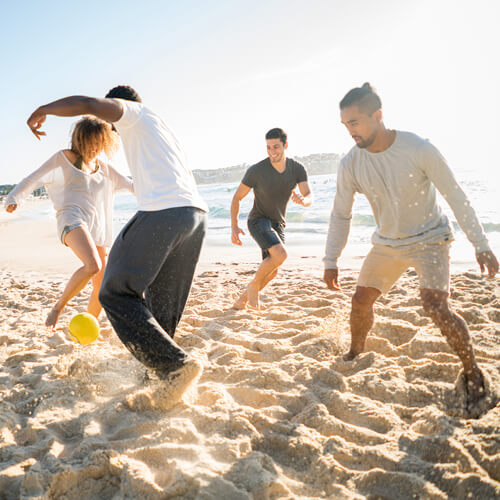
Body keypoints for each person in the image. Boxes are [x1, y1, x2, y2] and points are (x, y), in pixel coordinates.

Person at [323, 82, 498, 415]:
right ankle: (355, 352)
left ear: (378, 116)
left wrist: (481, 244)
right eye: (345, 125)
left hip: (430, 239)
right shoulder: (350, 164)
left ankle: (473, 373)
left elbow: (455, 195)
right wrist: (331, 258)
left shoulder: (418, 148)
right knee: (360, 301)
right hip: (387, 244)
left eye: (355, 122)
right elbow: (341, 213)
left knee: (434, 306)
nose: (350, 131)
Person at [26, 86, 208, 401]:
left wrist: (44, 108)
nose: (111, 132)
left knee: (113, 290)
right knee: (160, 309)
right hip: (196, 217)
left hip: (163, 213)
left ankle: (176, 365)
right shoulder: (163, 129)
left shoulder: (133, 114)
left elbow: (85, 103)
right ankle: (160, 378)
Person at [6, 116, 133, 329]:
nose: (93, 148)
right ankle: (58, 307)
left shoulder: (104, 167)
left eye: (98, 144)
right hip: (71, 219)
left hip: (97, 228)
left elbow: (132, 186)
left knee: (102, 286)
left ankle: (87, 328)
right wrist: (14, 198)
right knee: (93, 265)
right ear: (79, 140)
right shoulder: (64, 158)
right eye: (89, 143)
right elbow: (35, 177)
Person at [231, 128, 312, 309]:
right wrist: (234, 227)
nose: (272, 151)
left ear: (286, 145)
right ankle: (253, 287)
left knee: (272, 271)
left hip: (278, 223)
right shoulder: (257, 170)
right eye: (268, 148)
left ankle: (240, 302)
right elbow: (237, 197)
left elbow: (308, 195)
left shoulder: (297, 169)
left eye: (276, 147)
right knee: (280, 254)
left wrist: (303, 200)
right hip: (258, 220)